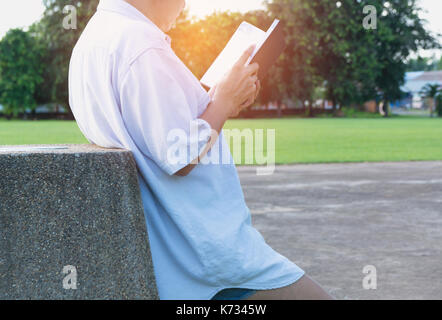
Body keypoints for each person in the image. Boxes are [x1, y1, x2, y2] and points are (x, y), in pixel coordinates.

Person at [69, 0, 333, 300]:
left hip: (166, 251)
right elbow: (179, 155)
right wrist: (223, 104)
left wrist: (222, 96)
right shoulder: (141, 44)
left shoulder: (93, 39)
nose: (185, 3)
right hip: (203, 249)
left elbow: (156, 132)